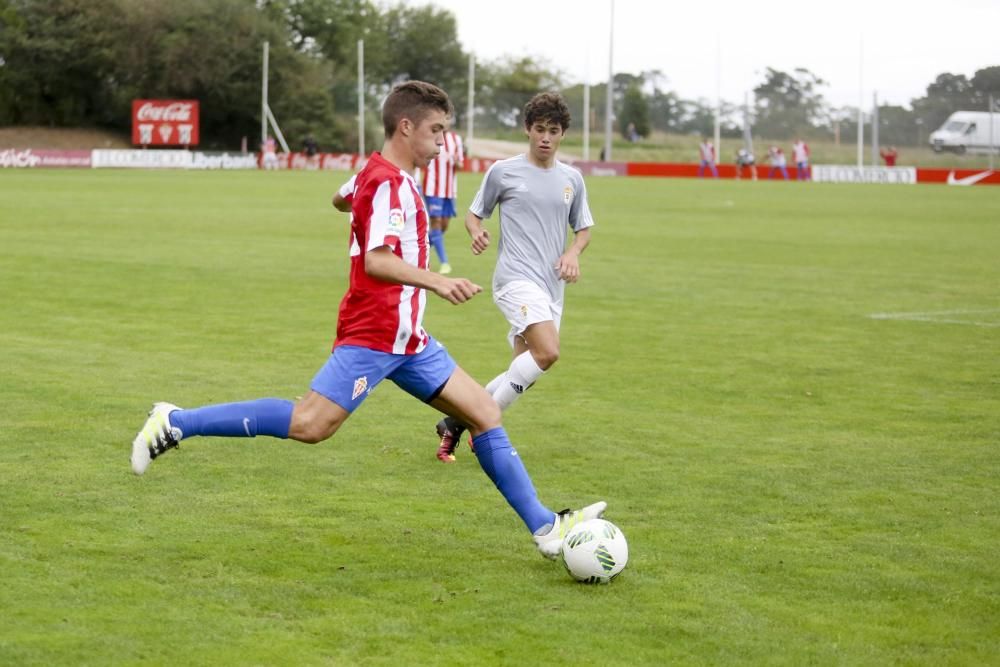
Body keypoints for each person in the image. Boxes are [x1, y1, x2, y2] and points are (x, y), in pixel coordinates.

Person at [130, 81, 605, 560]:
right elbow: (377, 261)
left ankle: (545, 527)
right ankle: (175, 422)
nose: (442, 143)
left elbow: (340, 198)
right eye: (436, 131)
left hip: (410, 340)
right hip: (375, 334)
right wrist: (438, 282)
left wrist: (356, 203)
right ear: (406, 127)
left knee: (484, 413)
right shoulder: (388, 183)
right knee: (311, 424)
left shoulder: (376, 176)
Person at [434, 91, 594, 464]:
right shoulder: (503, 172)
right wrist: (476, 233)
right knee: (548, 351)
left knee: (523, 368)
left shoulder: (573, 179)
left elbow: (583, 229)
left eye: (553, 131)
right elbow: (475, 214)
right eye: (539, 129)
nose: (546, 137)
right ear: (527, 129)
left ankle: (454, 422)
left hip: (551, 285)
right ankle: (486, 429)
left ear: (562, 135)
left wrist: (572, 253)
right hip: (514, 279)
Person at [421, 129, 464, 275]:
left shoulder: (455, 139)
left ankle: (418, 253)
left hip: (449, 190)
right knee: (436, 223)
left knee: (443, 226)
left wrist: (456, 162)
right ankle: (444, 263)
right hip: (432, 188)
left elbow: (460, 165)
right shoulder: (429, 136)